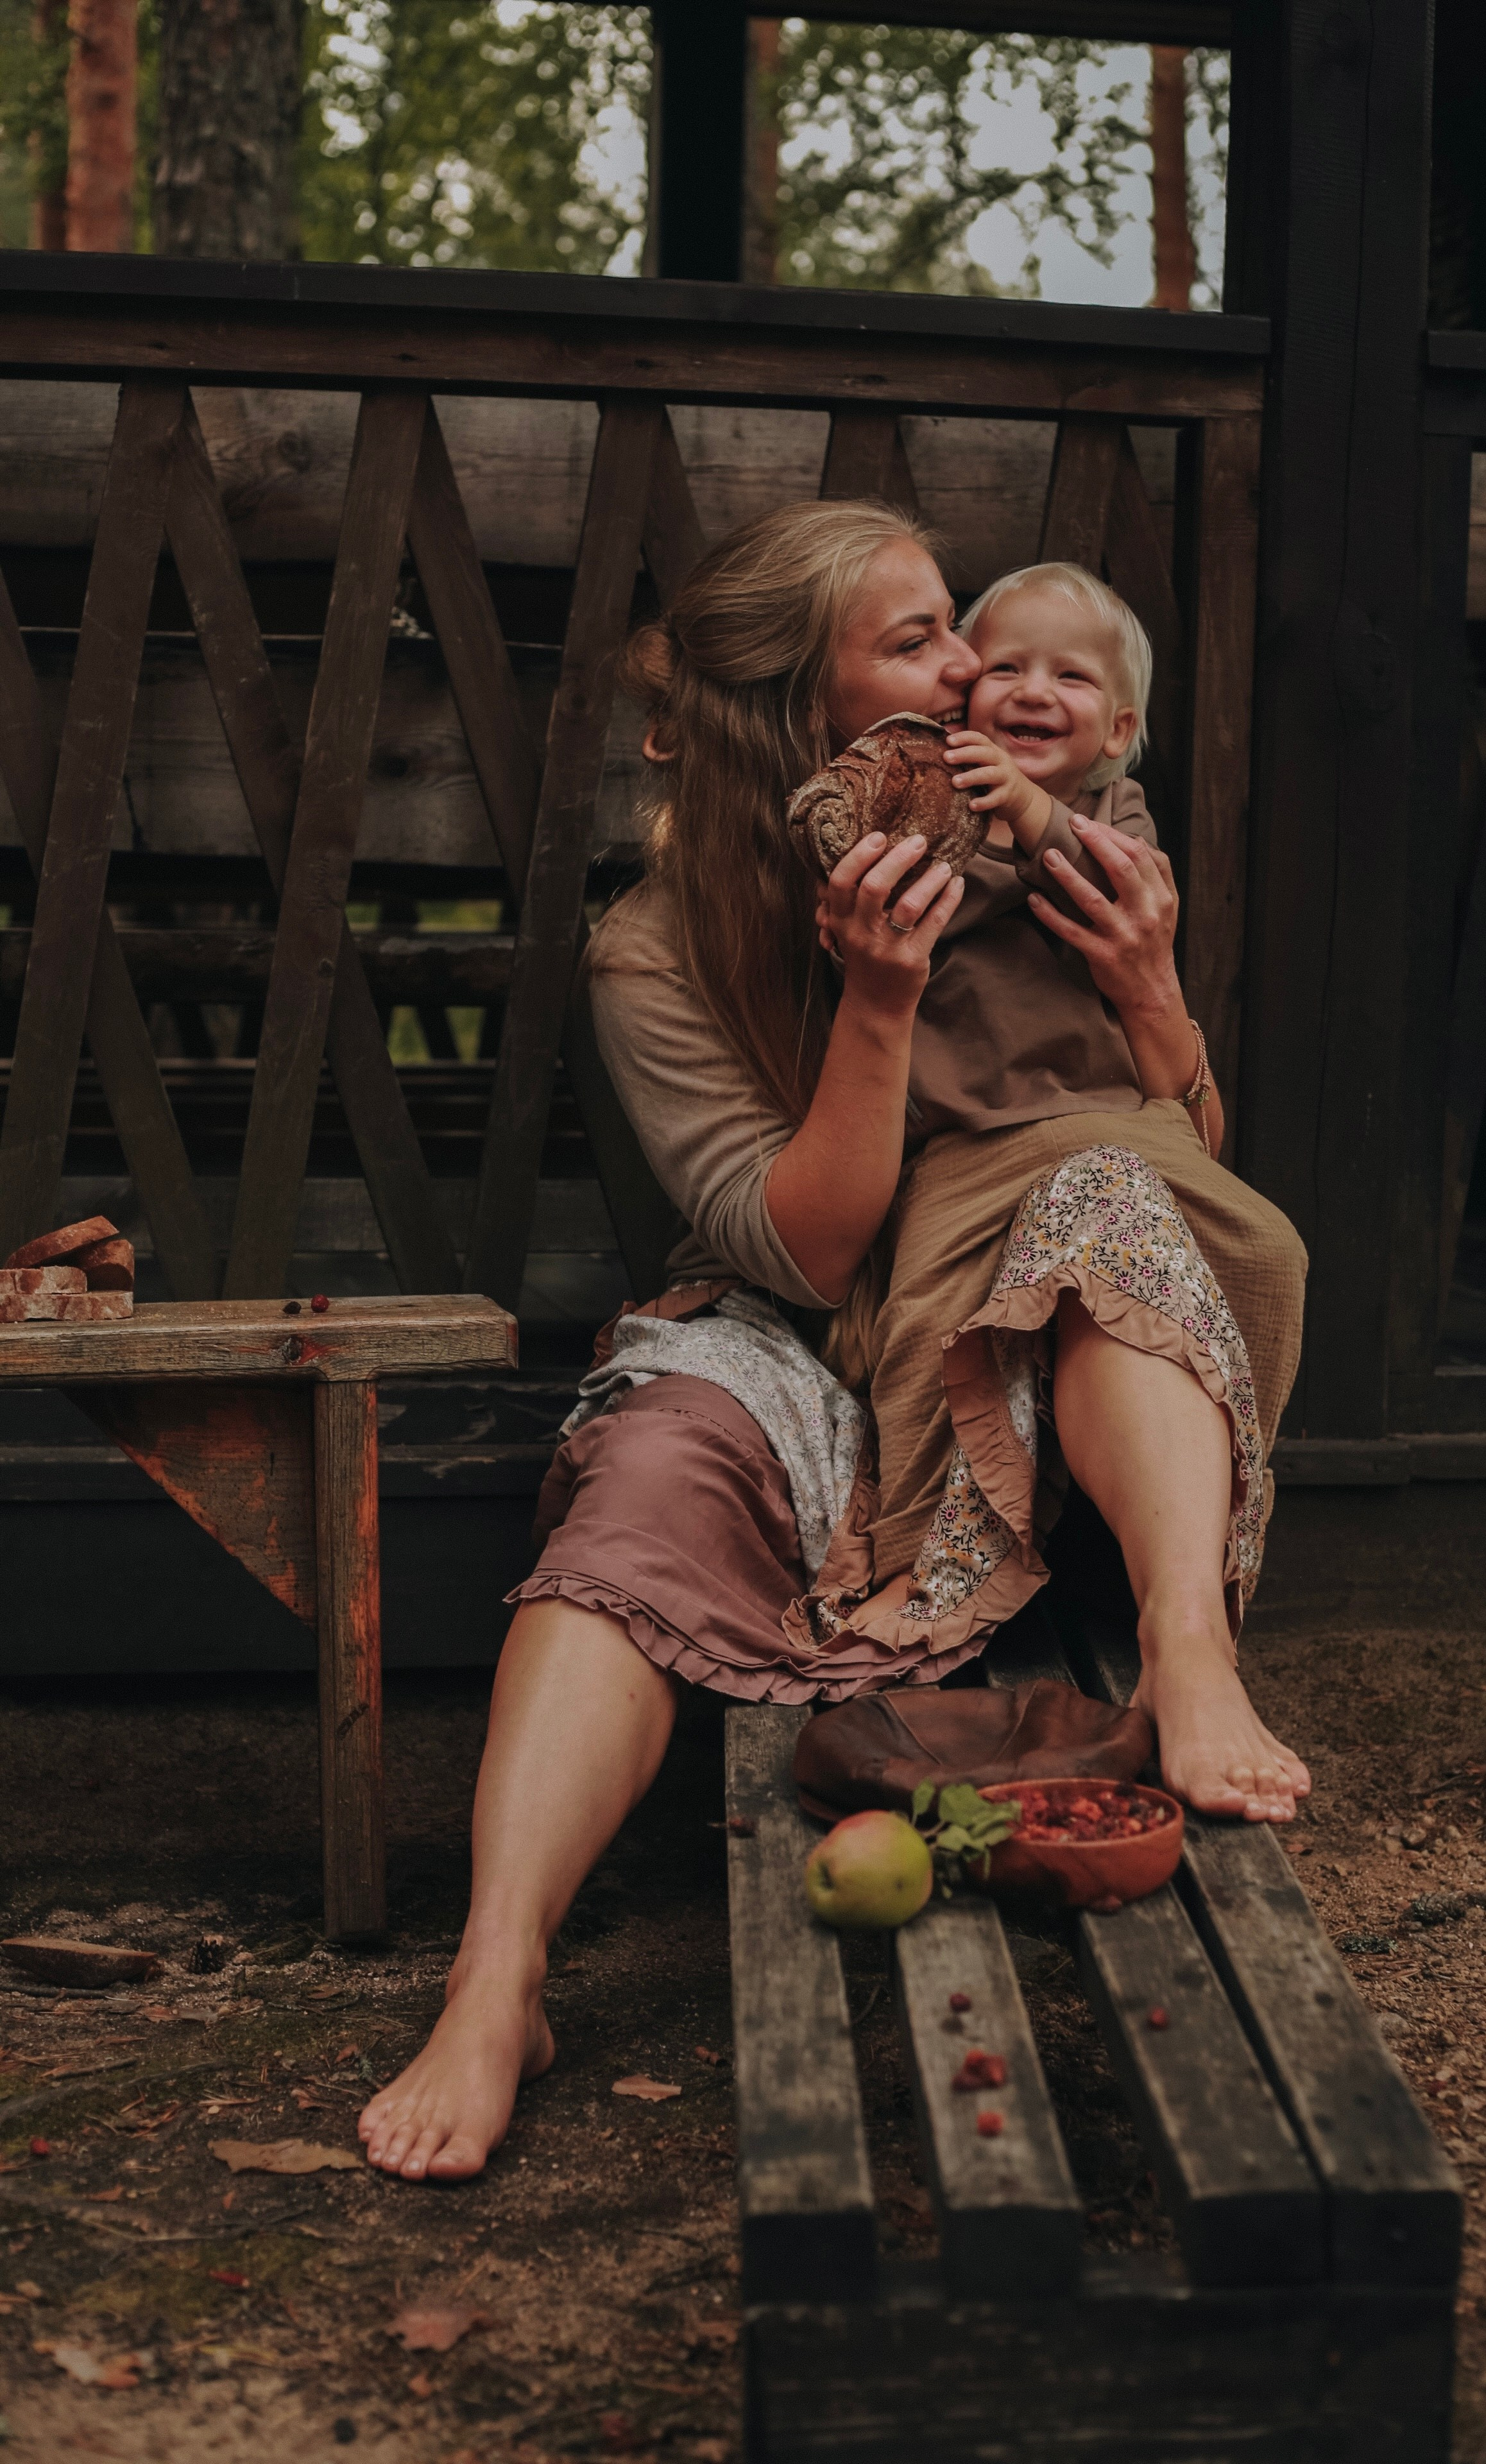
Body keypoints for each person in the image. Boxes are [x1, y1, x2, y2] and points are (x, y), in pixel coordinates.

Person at [357, 501, 1310, 2187]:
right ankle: (497, 1981)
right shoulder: (655, 946)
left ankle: (1187, 1648)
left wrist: (1159, 995)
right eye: (920, 640)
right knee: (634, 1496)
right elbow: (804, 1247)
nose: (972, 672)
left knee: (1108, 1208)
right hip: (796, 1328)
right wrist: (876, 1005)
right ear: (801, 709)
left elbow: (1188, 1171)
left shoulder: (1031, 850)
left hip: (1019, 1331)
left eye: (962, 629)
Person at [792, 558, 1304, 1685]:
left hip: (1123, 1127)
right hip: (967, 1151)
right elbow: (878, 887)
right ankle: (924, 1564)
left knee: (1264, 1248)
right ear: (959, 697)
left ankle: (1188, 1577)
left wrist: (1029, 811)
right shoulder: (930, 809)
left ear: (1119, 725)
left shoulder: (1108, 814)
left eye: (1070, 676)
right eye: (1007, 666)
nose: (1033, 688)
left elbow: (1115, 884)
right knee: (929, 1324)